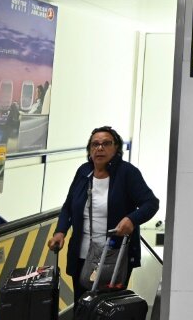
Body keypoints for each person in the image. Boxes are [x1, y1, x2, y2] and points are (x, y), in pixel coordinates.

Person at [47, 126, 159, 301]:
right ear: (90, 149)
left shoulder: (127, 173)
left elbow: (151, 203)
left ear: (116, 148)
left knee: (107, 307)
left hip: (114, 256)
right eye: (95, 144)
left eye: (106, 143)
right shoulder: (83, 172)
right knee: (82, 305)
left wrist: (131, 219)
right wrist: (60, 231)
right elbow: (68, 206)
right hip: (82, 254)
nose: (100, 148)